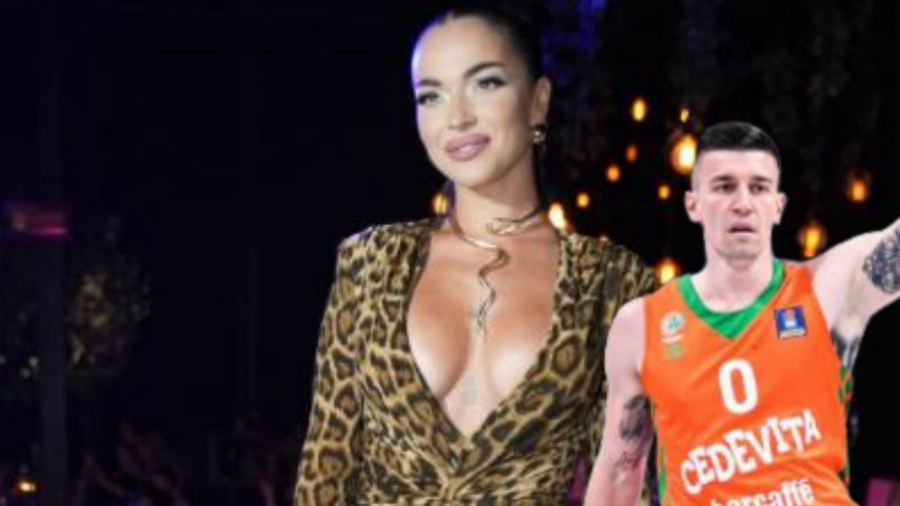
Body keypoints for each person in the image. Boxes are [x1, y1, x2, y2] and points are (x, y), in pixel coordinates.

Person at [293, 3, 657, 504]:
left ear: (538, 102)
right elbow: (324, 474)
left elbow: (624, 482)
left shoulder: (611, 281)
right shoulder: (371, 262)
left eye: (485, 83)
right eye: (431, 96)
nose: (457, 117)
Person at [585, 121, 900, 506]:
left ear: (778, 206)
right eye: (724, 186)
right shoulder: (641, 325)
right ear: (693, 204)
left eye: (759, 187)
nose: (743, 203)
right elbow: (619, 471)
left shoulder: (825, 287)